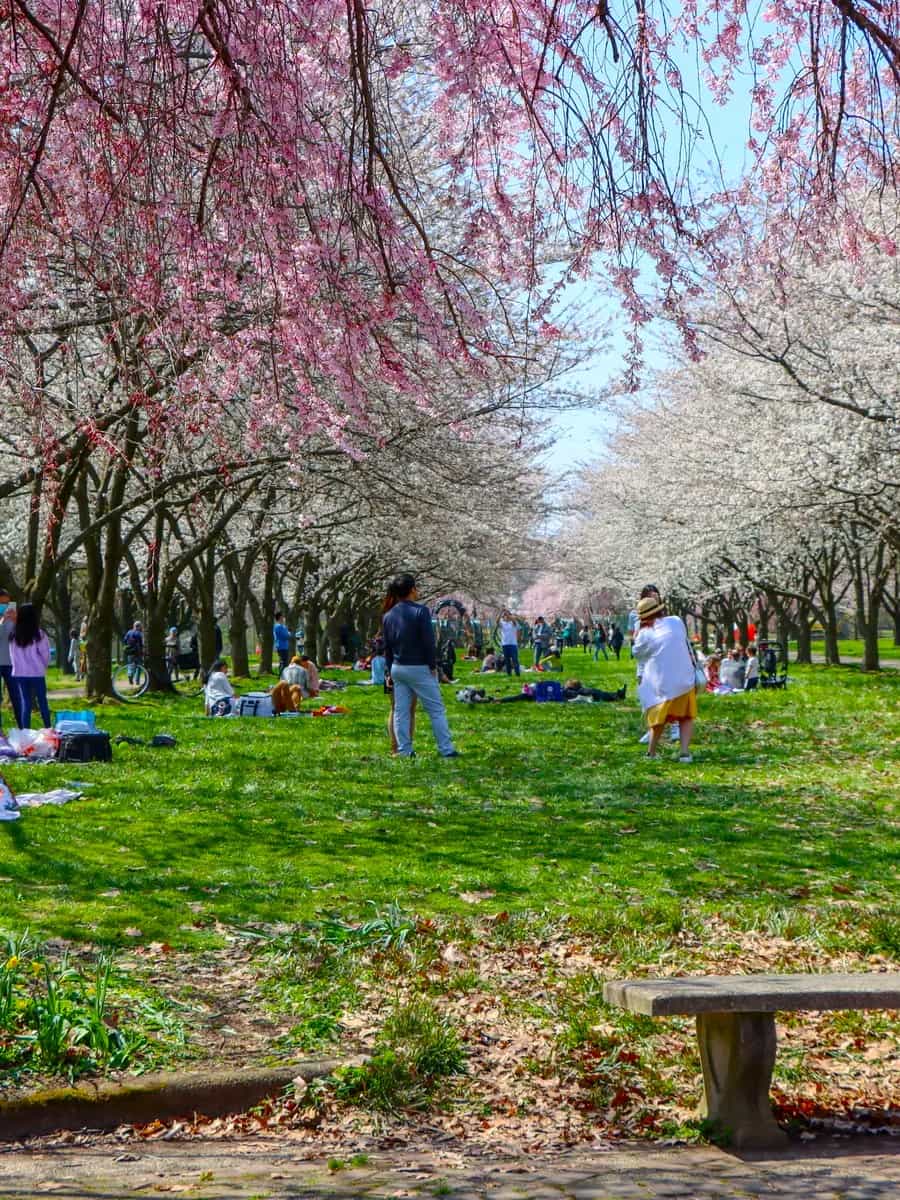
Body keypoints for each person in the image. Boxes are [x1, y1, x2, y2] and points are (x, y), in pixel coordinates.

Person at [382, 573, 458, 759]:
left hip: (398, 668)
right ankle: (446, 749)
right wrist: (433, 665)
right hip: (419, 666)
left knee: (401, 711)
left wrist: (390, 670)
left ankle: (405, 750)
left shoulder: (388, 615)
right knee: (436, 710)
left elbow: (387, 647)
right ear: (412, 590)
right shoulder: (420, 611)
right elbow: (428, 641)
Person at [633, 595, 697, 762]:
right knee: (686, 717)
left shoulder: (644, 634)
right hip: (685, 678)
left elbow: (637, 653)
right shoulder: (676, 621)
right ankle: (684, 753)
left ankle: (651, 752)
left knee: (658, 719)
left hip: (661, 684)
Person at [9, 602, 52, 729]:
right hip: (37, 673)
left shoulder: (13, 635)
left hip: (20, 673)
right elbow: (46, 655)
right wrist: (43, 667)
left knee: (25, 703)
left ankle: (25, 733)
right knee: (42, 701)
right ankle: (48, 728)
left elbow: (13, 656)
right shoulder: (39, 634)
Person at [0, 592, 15, 718]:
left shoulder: (12, 620)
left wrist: (16, 621)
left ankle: (22, 729)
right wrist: (2, 621)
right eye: (2, 603)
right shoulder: (4, 619)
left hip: (11, 663)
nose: (5, 606)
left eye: (7, 603)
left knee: (16, 697)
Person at [562, 678, 626, 702]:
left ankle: (617, 695)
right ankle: (617, 696)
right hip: (590, 693)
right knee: (603, 695)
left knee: (603, 694)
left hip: (589, 691)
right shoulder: (569, 691)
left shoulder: (574, 690)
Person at [498, 609, 521, 677]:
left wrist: (507, 614)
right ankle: (509, 674)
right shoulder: (502, 623)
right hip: (505, 644)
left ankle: (517, 674)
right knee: (507, 660)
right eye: (504, 615)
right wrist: (501, 612)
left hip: (513, 644)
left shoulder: (513, 622)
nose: (506, 616)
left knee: (515, 660)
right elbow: (497, 621)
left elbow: (514, 622)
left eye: (507, 615)